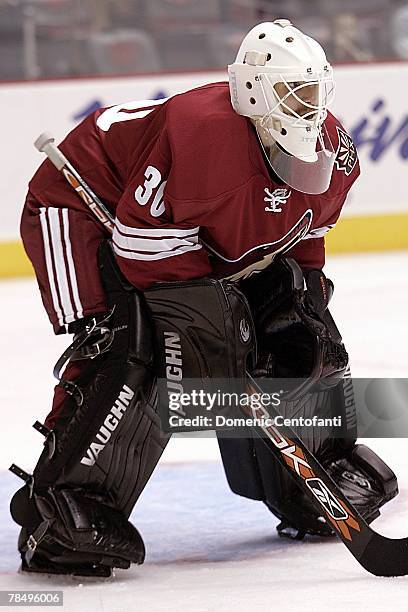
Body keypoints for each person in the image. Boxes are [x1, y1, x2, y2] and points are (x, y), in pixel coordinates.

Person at [11, 20, 397, 577]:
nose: (308, 106)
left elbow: (305, 233)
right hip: (81, 208)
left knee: (298, 325)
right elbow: (143, 242)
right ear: (255, 94)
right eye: (294, 92)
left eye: (314, 91)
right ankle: (66, 503)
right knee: (137, 344)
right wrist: (203, 321)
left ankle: (311, 474)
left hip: (183, 231)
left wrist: (298, 299)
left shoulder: (333, 151)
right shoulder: (200, 137)